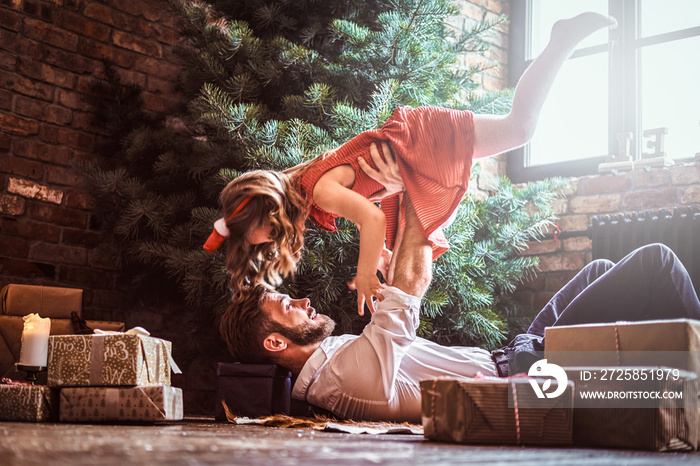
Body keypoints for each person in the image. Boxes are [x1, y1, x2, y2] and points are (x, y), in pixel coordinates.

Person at [204, 13, 619, 315]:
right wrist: (381, 255)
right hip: (405, 161)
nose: (262, 243)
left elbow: (368, 218)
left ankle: (560, 41)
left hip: (416, 142)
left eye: (258, 235)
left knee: (519, 129)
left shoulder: (321, 191)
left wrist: (366, 273)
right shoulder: (315, 194)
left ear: (266, 211)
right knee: (404, 257)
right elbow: (373, 196)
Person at [219, 194, 700, 423]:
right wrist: (418, 198)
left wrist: (385, 274)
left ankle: (674, 367)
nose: (303, 301)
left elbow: (397, 327)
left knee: (599, 269)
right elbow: (410, 294)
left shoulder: (336, 358)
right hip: (527, 371)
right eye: (289, 306)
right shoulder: (341, 379)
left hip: (512, 351)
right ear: (276, 342)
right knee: (655, 261)